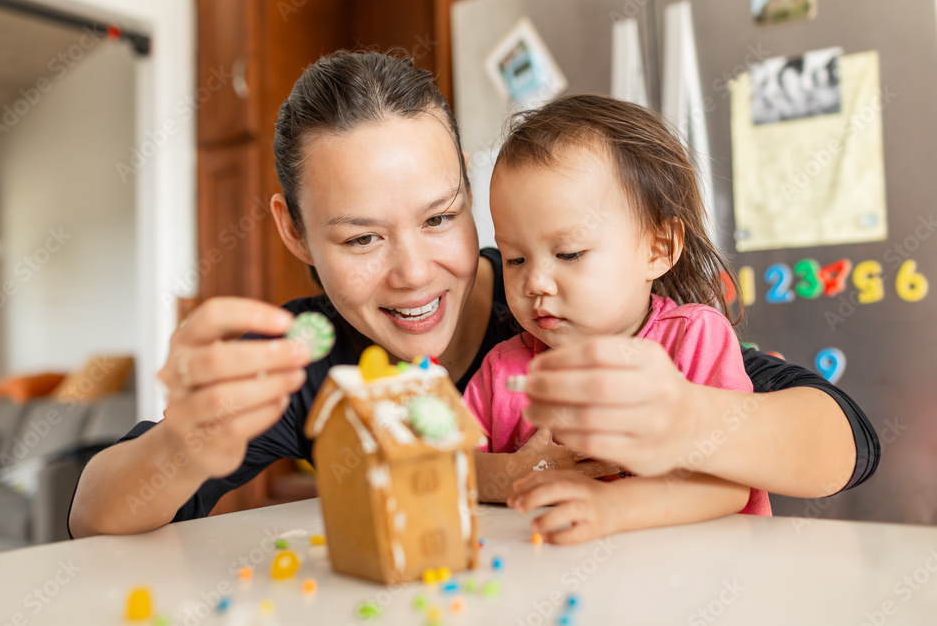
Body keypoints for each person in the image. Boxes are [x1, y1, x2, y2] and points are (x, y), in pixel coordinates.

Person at [68, 51, 877, 539]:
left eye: (441, 217)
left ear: (468, 193)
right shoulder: (301, 357)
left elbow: (847, 436)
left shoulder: (594, 310)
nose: (415, 272)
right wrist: (182, 448)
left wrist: (692, 422)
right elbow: (92, 517)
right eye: (360, 238)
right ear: (294, 232)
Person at [465, 94, 770, 544]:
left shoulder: (693, 340)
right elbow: (442, 464)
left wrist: (612, 508)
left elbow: (726, 483)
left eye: (568, 253)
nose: (536, 282)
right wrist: (508, 473)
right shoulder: (503, 370)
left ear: (658, 248)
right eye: (514, 258)